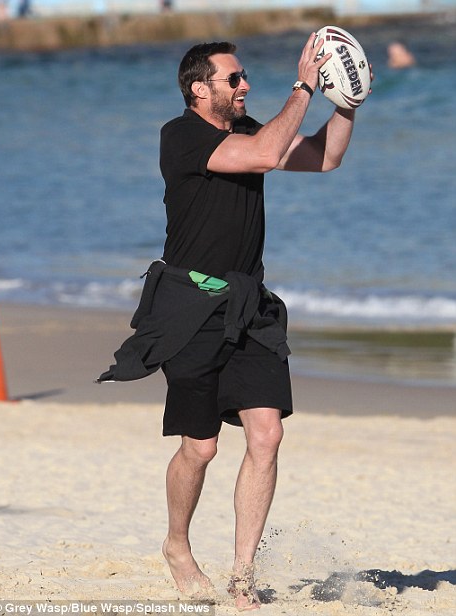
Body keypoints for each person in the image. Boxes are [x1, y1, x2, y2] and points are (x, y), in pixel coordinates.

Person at [98, 33, 369, 611]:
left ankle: (243, 576)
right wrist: (304, 87)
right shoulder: (180, 136)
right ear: (200, 89)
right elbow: (266, 155)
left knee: (267, 434)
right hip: (189, 306)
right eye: (234, 78)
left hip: (249, 305)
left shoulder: (247, 131)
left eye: (244, 75)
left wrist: (346, 105)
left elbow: (324, 157)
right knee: (200, 448)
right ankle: (177, 545)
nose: (245, 84)